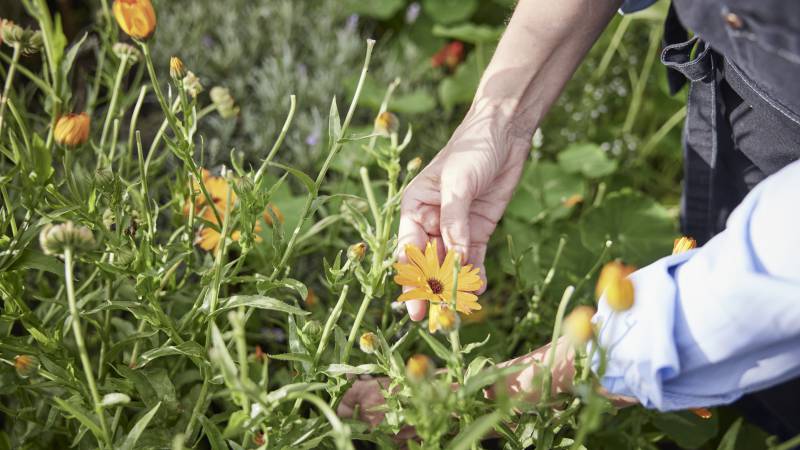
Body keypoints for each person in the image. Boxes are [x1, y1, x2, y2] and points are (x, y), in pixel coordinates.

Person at [338, 0, 800, 442]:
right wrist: (497, 118)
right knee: (749, 385)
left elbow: (766, 286)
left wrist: (488, 396)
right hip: (749, 79)